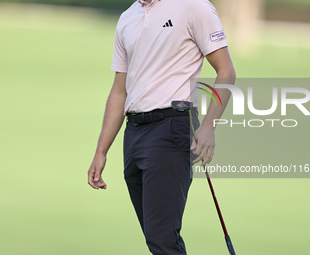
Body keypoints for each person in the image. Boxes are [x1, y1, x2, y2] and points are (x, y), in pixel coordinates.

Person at [87, 0, 236, 254]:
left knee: (162, 239)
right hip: (133, 133)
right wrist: (101, 150)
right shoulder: (128, 17)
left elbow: (226, 71)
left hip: (172, 126)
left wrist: (209, 126)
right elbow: (119, 91)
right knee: (157, 239)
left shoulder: (193, 7)